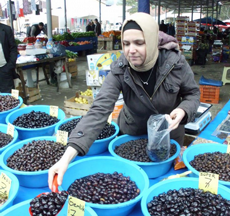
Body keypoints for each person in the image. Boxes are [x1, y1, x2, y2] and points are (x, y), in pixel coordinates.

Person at [48, 12, 200, 188]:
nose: (131, 50)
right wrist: (67, 157)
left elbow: (192, 94)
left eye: (139, 43)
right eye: (126, 44)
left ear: (151, 41)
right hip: (132, 135)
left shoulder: (175, 63)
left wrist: (182, 111)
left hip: (167, 139)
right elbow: (99, 110)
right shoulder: (121, 68)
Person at [0, 23, 18, 93]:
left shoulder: (6, 29)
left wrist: (10, 65)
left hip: (4, 68)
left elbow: (13, 48)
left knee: (7, 97)